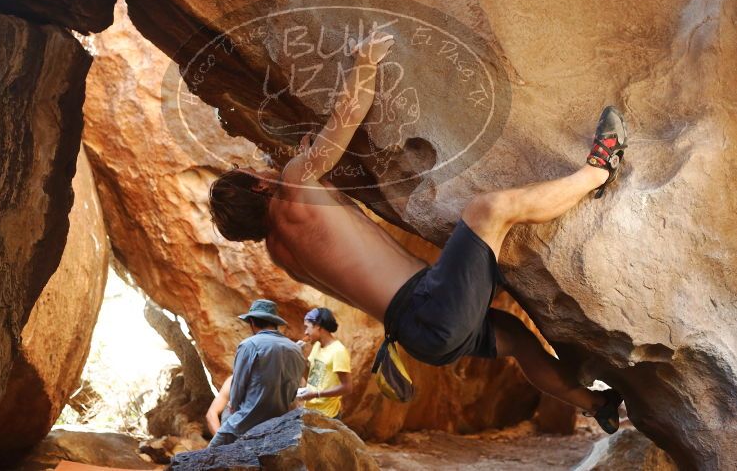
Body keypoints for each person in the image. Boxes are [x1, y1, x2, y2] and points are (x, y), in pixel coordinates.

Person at [208, 30, 628, 434]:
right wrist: (364, 63)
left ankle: (597, 406)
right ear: (260, 185)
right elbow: (347, 116)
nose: (261, 166)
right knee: (489, 210)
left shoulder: (282, 255)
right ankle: (598, 170)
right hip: (430, 305)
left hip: (417, 337)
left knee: (516, 338)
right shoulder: (292, 181)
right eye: (252, 170)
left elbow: (339, 250)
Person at [207, 299, 307, 448]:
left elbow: (239, 385)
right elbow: (294, 391)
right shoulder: (296, 349)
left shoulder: (249, 345)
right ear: (275, 323)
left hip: (245, 423)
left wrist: (234, 405)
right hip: (280, 424)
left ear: (252, 322)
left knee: (210, 456)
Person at [296, 308, 352, 419]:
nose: (305, 332)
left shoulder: (338, 351)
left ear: (318, 326)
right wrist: (298, 355)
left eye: (307, 327)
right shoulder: (317, 346)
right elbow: (310, 378)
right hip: (311, 411)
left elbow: (347, 387)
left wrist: (316, 394)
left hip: (328, 415)